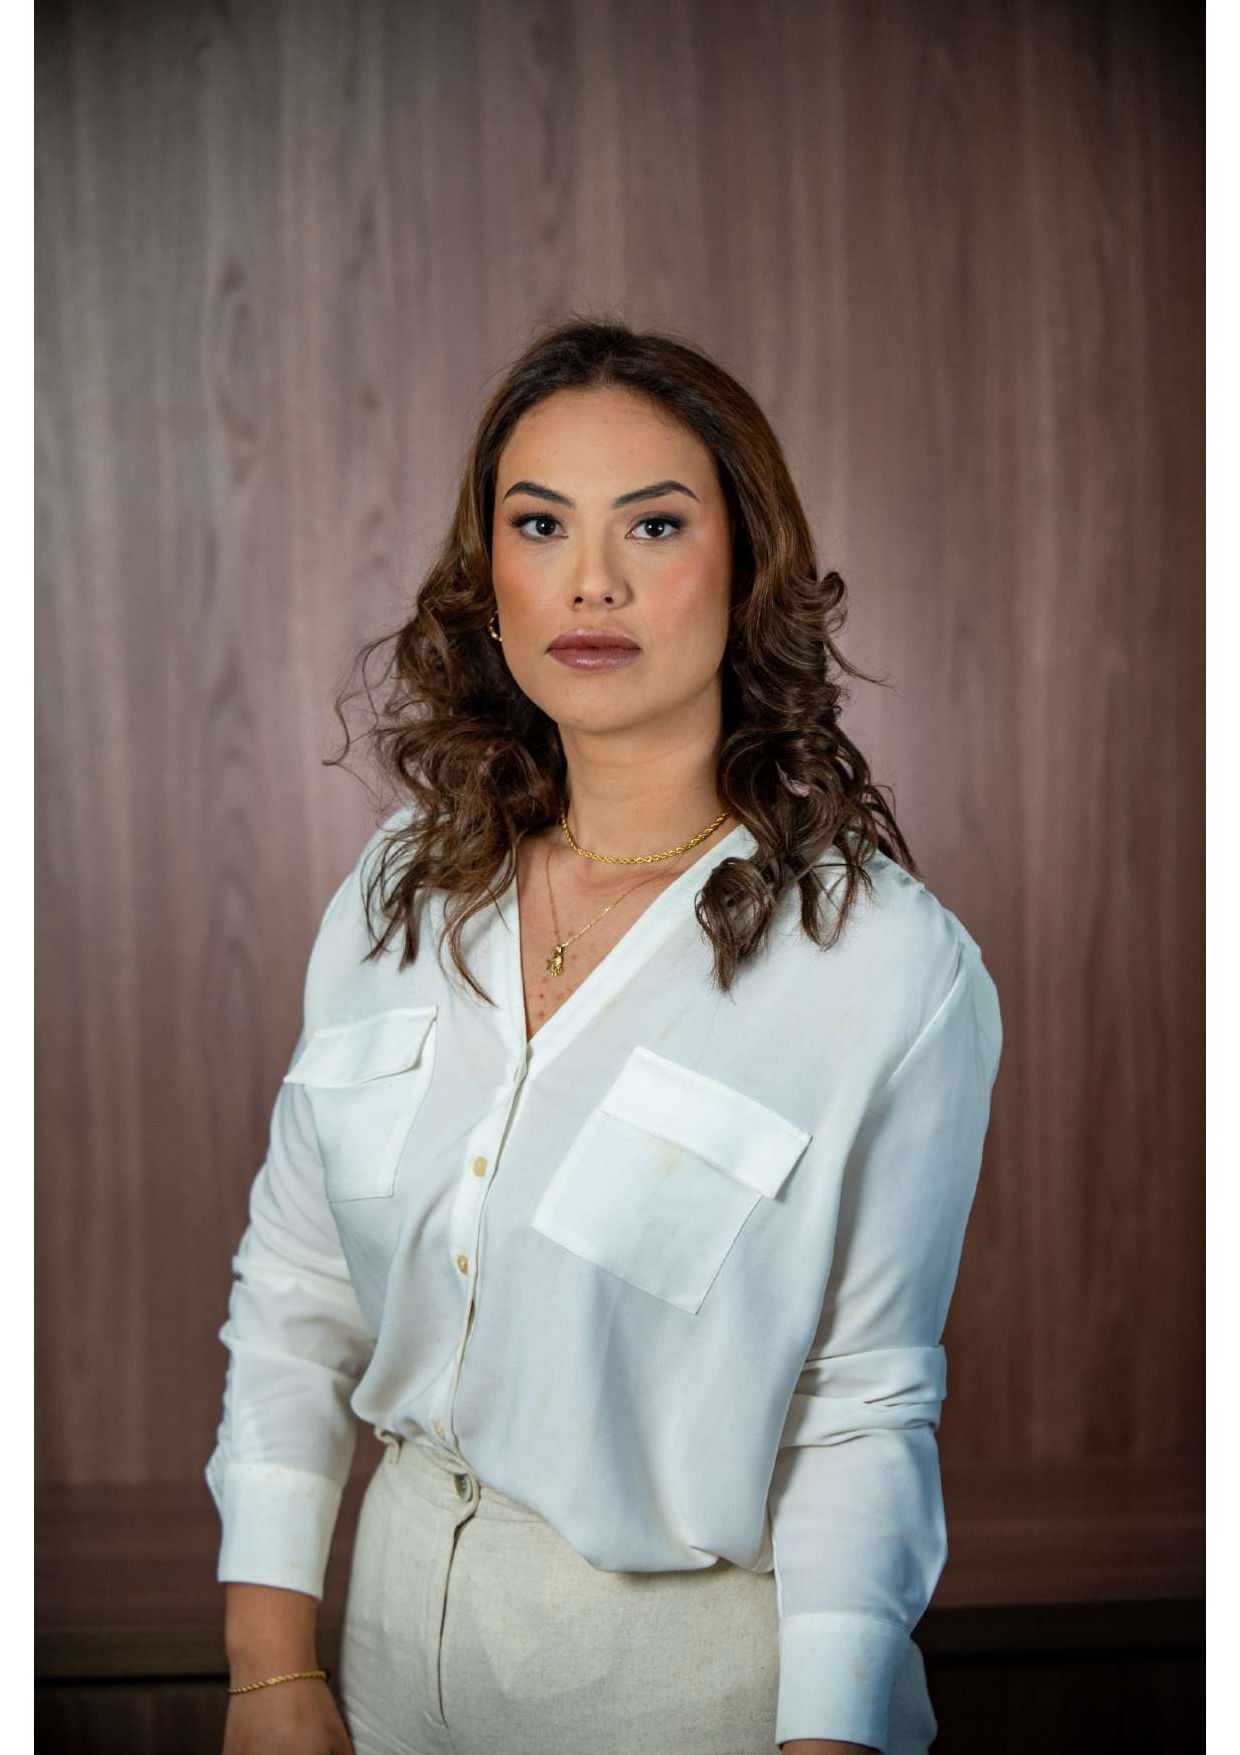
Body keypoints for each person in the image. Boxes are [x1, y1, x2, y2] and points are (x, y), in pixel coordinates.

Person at [208, 317, 1002, 1755]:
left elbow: (862, 1411)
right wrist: (271, 1667)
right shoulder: (399, 892)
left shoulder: (883, 967)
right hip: (384, 1644)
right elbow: (296, 1292)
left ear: (745, 568)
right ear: (490, 582)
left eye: (653, 524)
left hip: (682, 1684)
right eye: (540, 524)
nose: (591, 581)